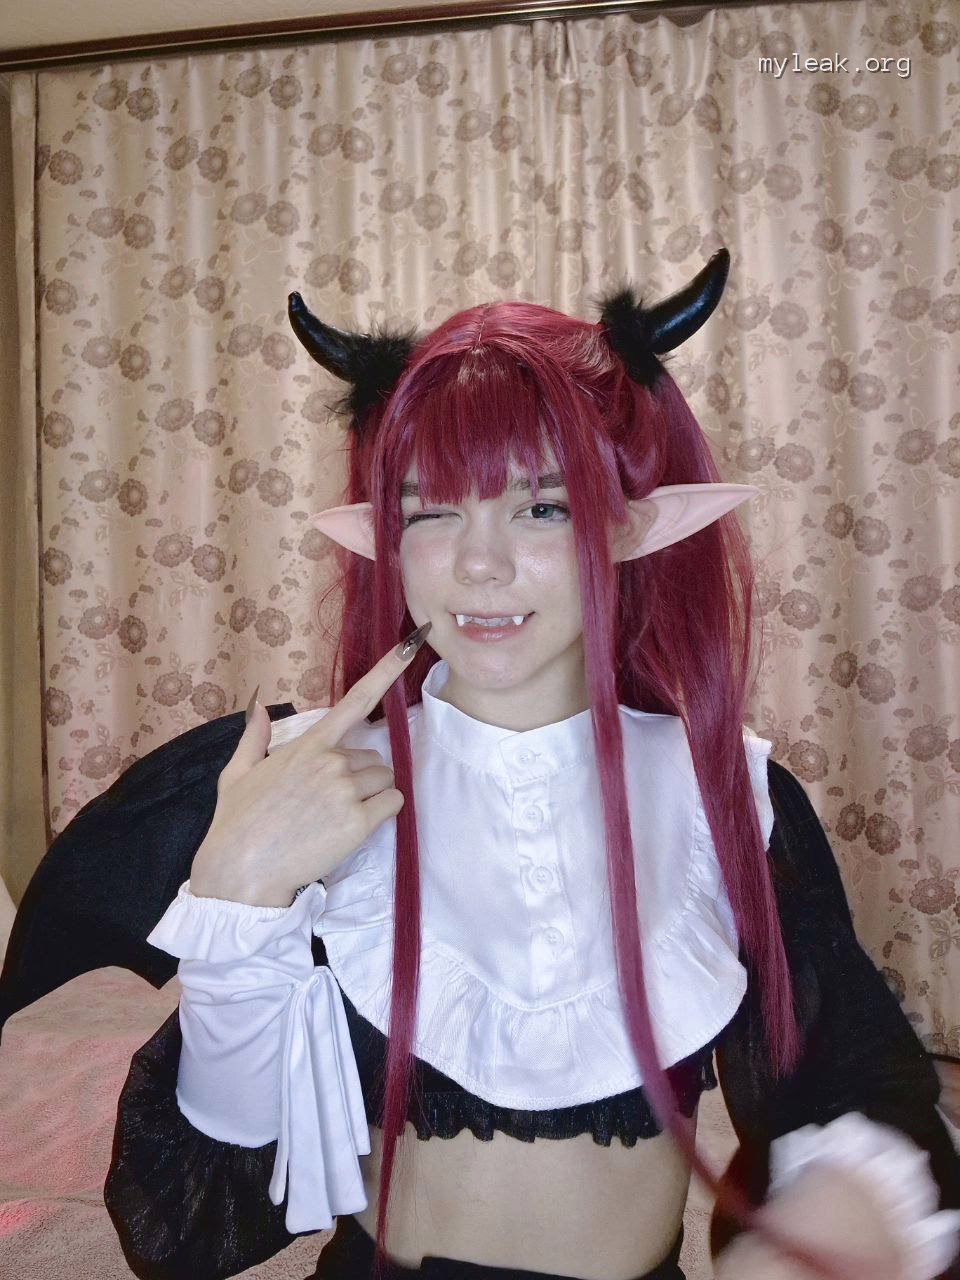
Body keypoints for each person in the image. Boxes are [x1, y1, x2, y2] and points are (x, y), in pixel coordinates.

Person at [4, 252, 959, 1280]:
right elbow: (194, 1229)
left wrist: (831, 1218)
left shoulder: (727, 794)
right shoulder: (295, 776)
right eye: (432, 511)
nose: (479, 564)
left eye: (542, 507)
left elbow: (852, 1081)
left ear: (624, 525)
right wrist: (236, 895)